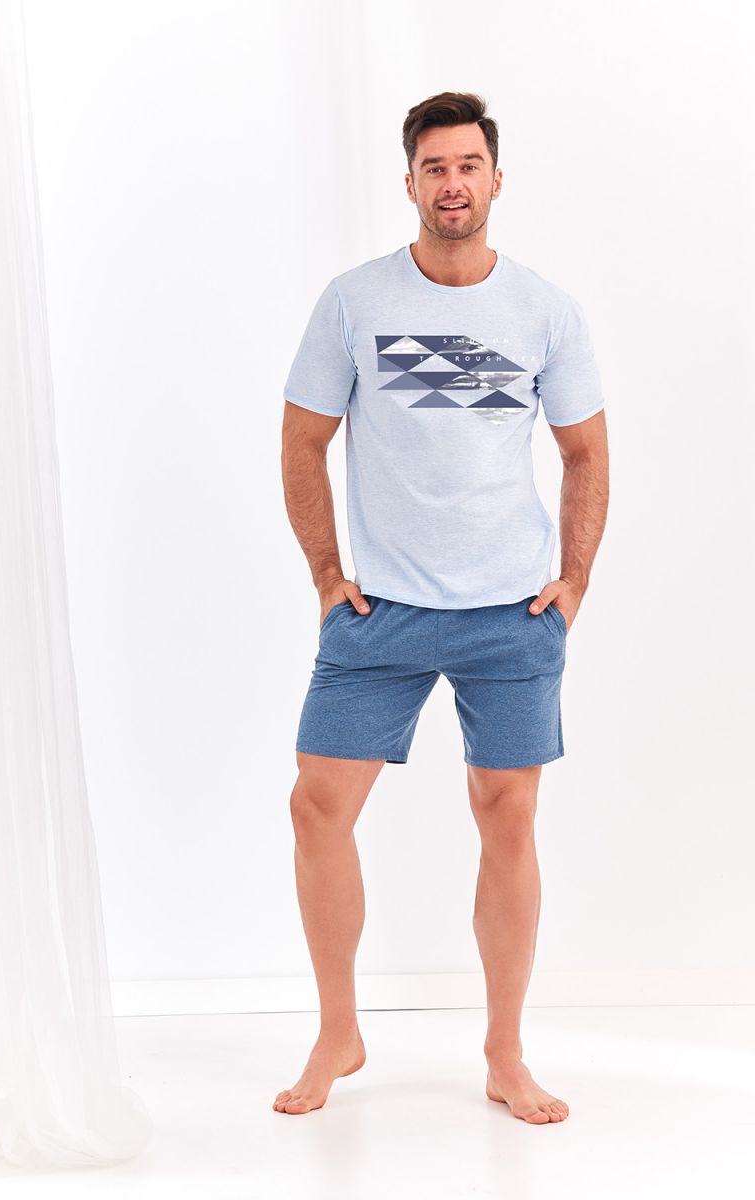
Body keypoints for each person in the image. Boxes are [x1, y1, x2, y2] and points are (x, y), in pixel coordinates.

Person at [275, 90, 609, 1125]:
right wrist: (327, 576)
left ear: (495, 180)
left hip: (510, 613)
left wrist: (572, 583)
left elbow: (585, 453)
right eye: (434, 167)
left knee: (507, 820)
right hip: (379, 613)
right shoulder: (353, 301)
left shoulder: (545, 310)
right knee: (316, 806)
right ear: (410, 183)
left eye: (468, 165)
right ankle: (339, 1030)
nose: (452, 183)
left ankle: (504, 1051)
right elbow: (301, 440)